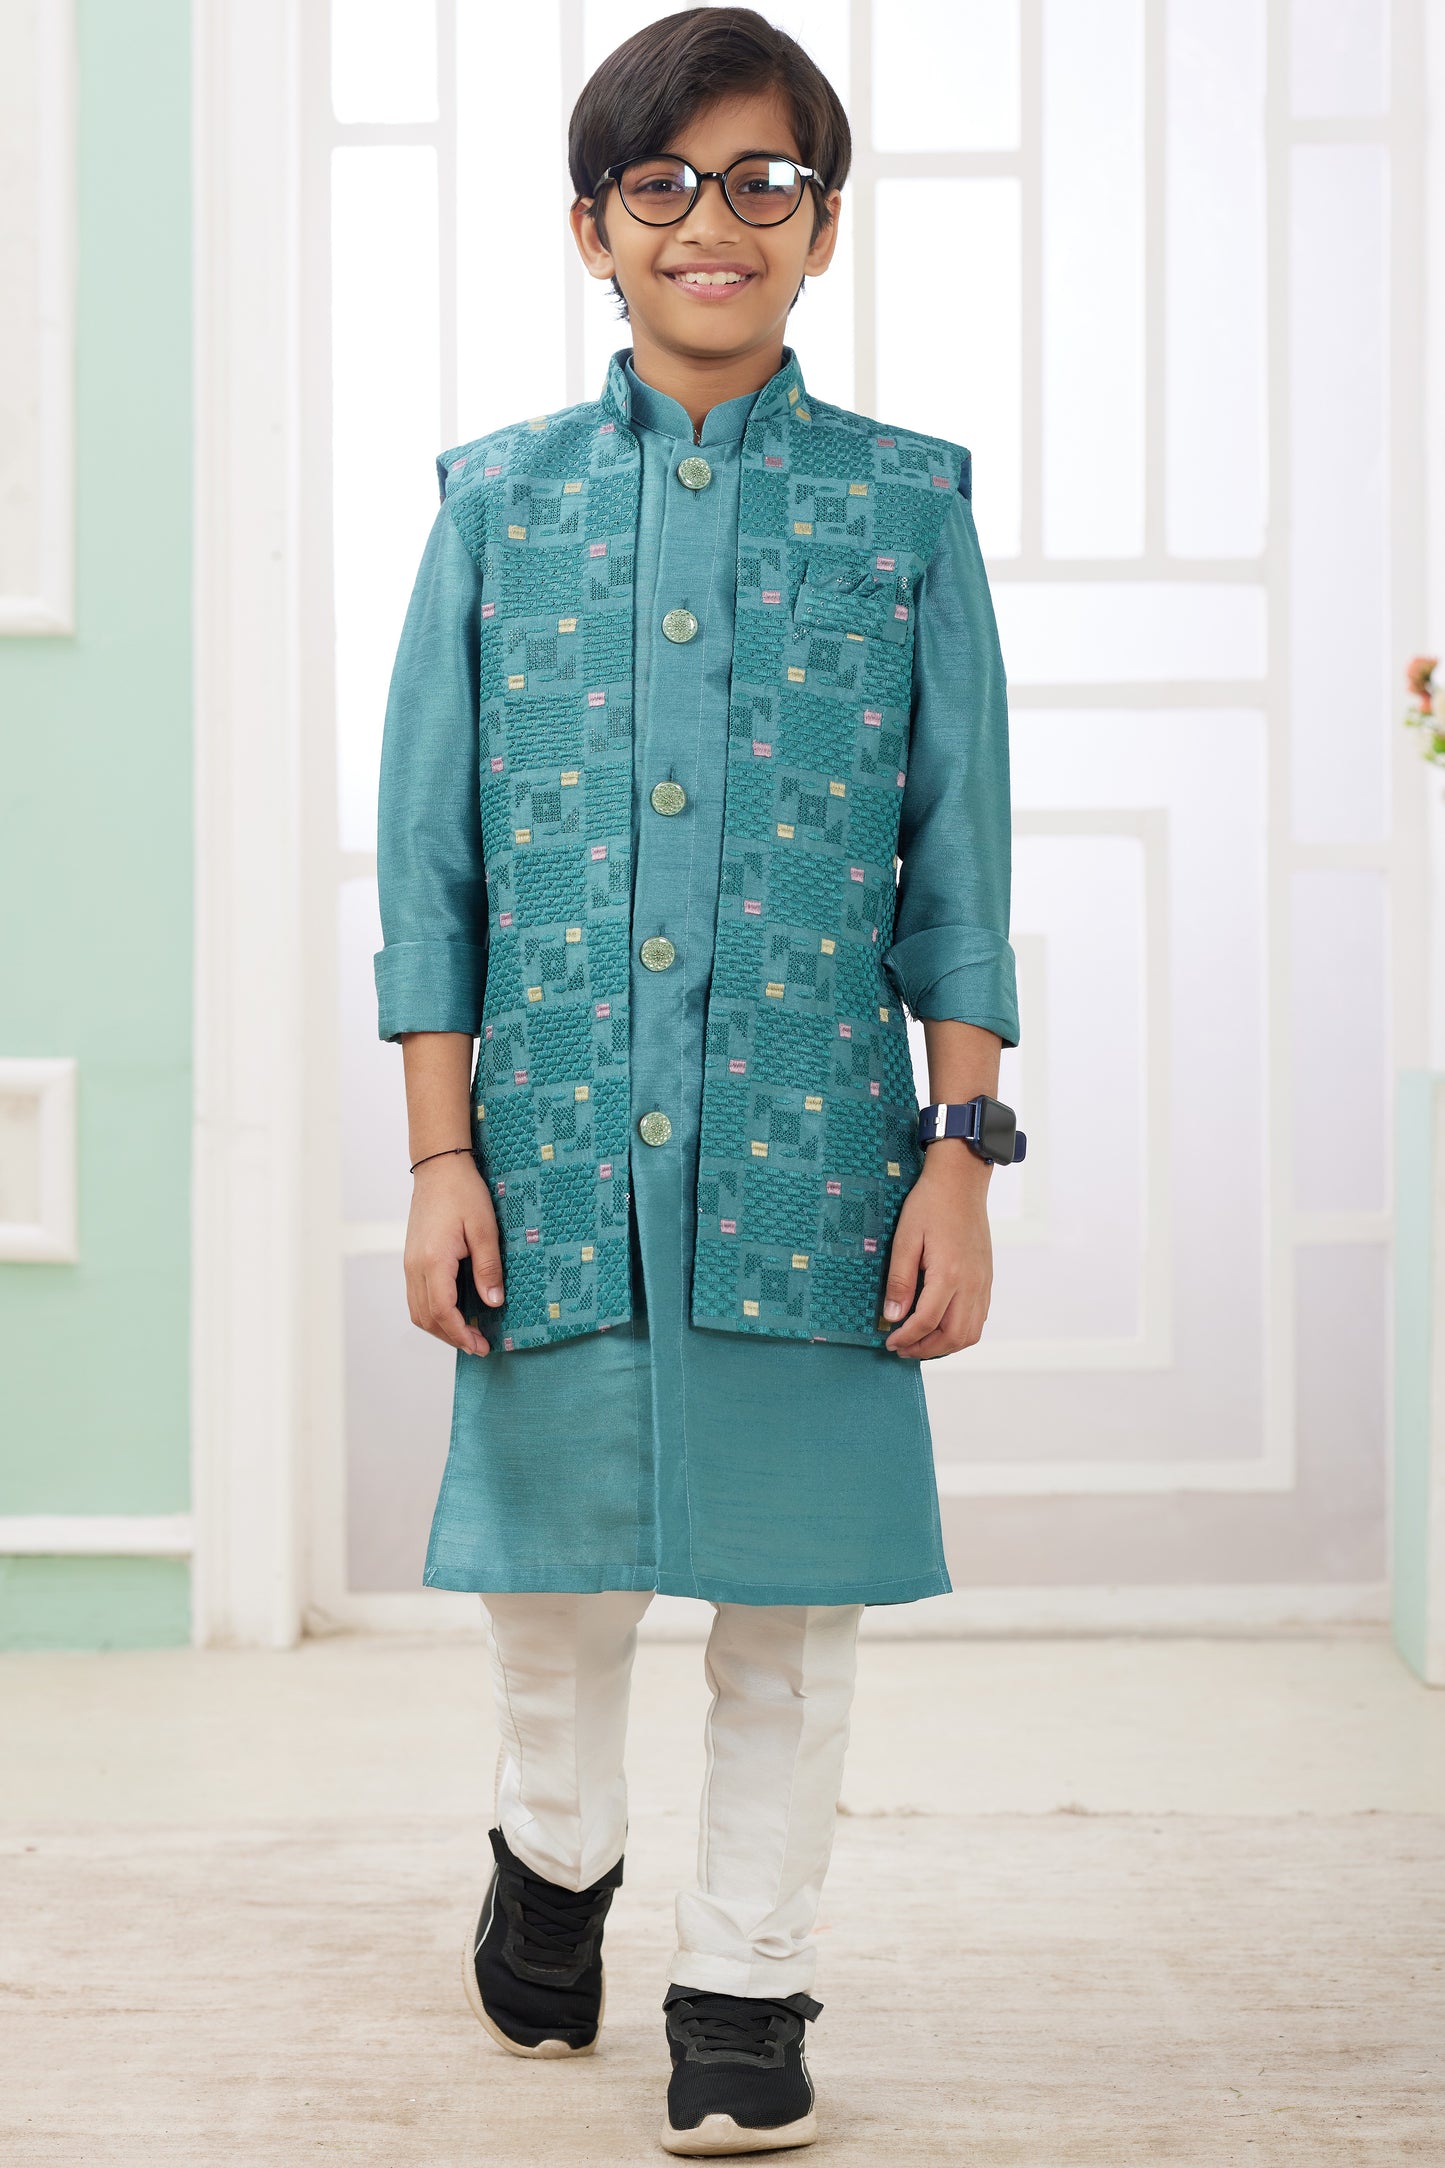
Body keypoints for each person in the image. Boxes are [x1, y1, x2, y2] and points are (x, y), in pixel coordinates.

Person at [373, 7, 1020, 2154]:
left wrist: (960, 1155)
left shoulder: (907, 508)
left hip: (813, 1163)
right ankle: (553, 1848)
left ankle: (746, 1978)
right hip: (551, 1150)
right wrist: (440, 1156)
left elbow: (958, 868)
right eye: (662, 184)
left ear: (823, 227)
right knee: (556, 1586)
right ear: (594, 228)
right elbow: (431, 867)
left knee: (790, 1607)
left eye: (764, 181)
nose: (711, 221)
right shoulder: (495, 508)